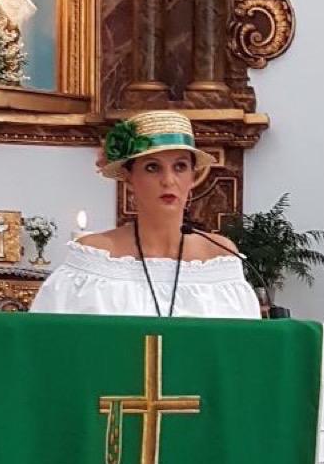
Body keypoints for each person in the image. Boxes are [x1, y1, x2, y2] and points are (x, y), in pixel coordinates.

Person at [30, 110, 261, 321]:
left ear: (193, 177)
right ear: (129, 178)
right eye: (152, 167)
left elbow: (242, 349)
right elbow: (51, 342)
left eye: (180, 167)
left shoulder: (219, 256)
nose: (168, 181)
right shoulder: (93, 258)